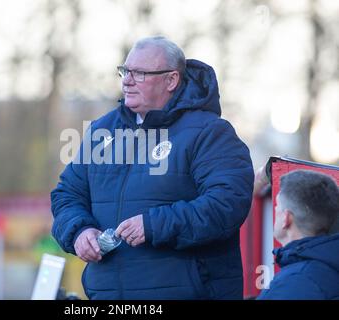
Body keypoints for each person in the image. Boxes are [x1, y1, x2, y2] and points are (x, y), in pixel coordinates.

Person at [51, 36, 254, 300]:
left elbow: (228, 203)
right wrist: (79, 231)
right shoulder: (102, 131)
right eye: (125, 71)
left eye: (140, 73)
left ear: (171, 80)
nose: (127, 80)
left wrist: (155, 225)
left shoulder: (210, 133)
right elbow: (66, 195)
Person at [257, 170, 339, 300]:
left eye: (277, 206)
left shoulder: (292, 284)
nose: (275, 211)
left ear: (286, 218)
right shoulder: (328, 267)